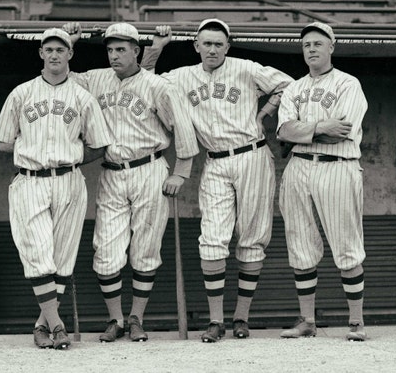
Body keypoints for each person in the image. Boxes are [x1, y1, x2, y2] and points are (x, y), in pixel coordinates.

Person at [141, 19, 294, 342]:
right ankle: (216, 320)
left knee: (252, 238)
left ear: (228, 46)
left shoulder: (246, 68)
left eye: (218, 44)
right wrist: (156, 48)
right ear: (196, 46)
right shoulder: (182, 76)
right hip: (214, 160)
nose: (212, 49)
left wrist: (265, 112)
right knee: (212, 240)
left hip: (252, 155)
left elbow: (288, 86)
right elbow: (145, 81)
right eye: (206, 43)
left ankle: (241, 317)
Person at [62, 21, 199, 343]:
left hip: (149, 169)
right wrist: (69, 41)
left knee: (145, 249)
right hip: (111, 170)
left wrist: (181, 171)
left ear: (137, 51)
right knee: (106, 251)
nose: (114, 55)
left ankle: (137, 317)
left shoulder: (158, 86)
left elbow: (183, 129)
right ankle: (116, 319)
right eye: (110, 49)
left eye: (121, 49)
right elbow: (60, 78)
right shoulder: (95, 79)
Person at [0, 28, 111, 349]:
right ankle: (58, 325)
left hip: (69, 180)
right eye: (49, 49)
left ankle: (41, 326)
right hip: (30, 179)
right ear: (41, 54)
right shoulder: (21, 94)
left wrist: (69, 158)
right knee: (36, 252)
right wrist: (34, 149)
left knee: (62, 258)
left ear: (70, 54)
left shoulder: (82, 97)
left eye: (61, 49)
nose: (55, 55)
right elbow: (4, 143)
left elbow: (100, 145)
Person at [275, 21, 368, 341]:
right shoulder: (293, 88)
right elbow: (283, 132)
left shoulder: (348, 83)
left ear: (331, 46)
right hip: (298, 169)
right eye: (306, 45)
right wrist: (319, 127)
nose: (311, 49)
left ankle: (356, 322)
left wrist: (304, 130)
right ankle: (307, 320)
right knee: (300, 245)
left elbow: (342, 133)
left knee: (347, 245)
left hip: (338, 166)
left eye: (317, 43)